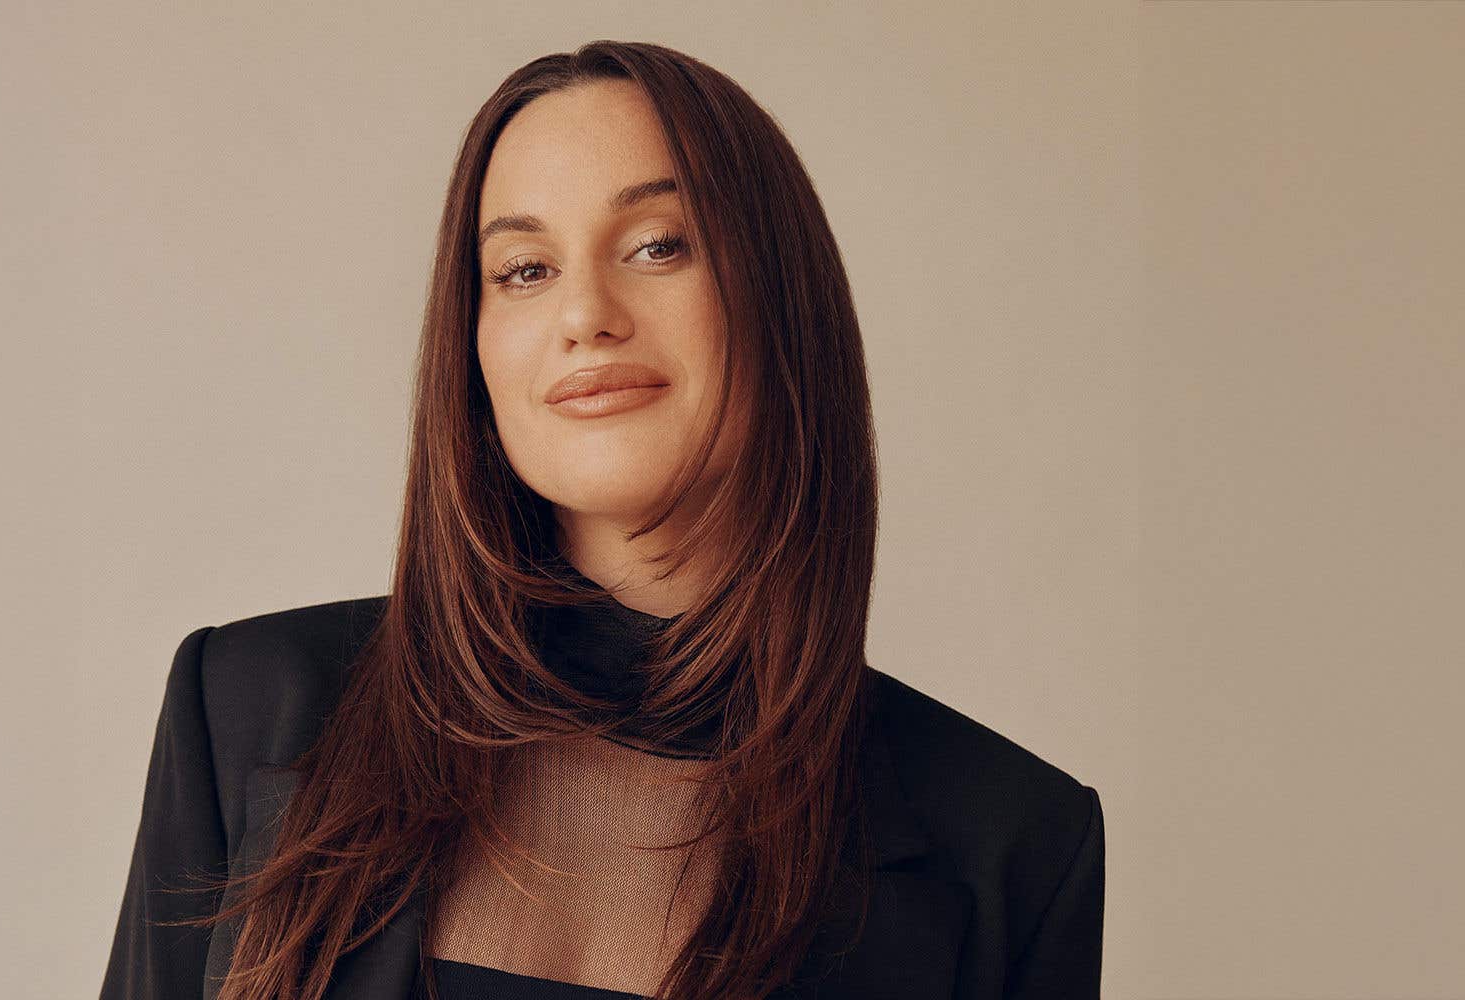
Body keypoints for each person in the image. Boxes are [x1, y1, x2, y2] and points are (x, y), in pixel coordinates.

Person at [99, 39, 1104, 1000]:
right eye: (523, 270)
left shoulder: (1011, 844)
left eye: (657, 245)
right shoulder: (245, 704)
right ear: (475, 348)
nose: (585, 311)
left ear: (781, 301)